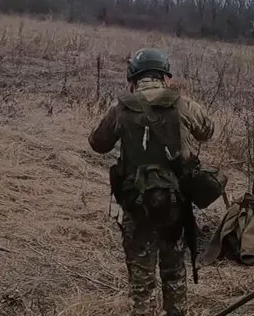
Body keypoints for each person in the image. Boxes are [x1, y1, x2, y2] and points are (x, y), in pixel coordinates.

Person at [88, 48, 214, 316]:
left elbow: (98, 144)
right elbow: (207, 131)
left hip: (136, 204)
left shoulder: (121, 108)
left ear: (133, 77)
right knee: (174, 273)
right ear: (165, 76)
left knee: (142, 281)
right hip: (175, 205)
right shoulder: (182, 104)